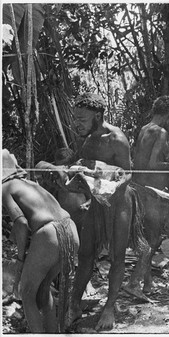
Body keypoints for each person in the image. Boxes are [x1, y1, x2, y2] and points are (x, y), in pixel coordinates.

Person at [36, 93, 147, 331]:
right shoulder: (86, 140)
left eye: (82, 119)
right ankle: (74, 306)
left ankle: (109, 307)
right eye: (76, 119)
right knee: (85, 254)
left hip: (120, 202)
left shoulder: (116, 138)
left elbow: (129, 173)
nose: (77, 124)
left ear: (98, 117)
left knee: (117, 257)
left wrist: (109, 181)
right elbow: (82, 167)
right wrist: (68, 175)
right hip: (97, 202)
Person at [2, 149, 80, 332]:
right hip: (70, 229)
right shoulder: (28, 183)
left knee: (27, 294)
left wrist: (20, 261)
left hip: (50, 234)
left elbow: (21, 224)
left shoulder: (4, 188)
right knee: (43, 292)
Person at [124, 95, 169, 299]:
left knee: (145, 238)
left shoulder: (144, 129)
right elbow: (152, 164)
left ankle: (147, 283)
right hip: (149, 193)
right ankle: (133, 282)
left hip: (137, 189)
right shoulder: (161, 132)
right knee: (153, 239)